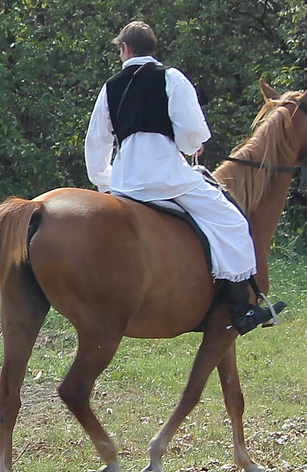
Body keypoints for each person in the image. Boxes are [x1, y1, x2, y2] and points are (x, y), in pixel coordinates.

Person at [84, 20, 284, 335]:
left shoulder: (110, 87)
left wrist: (105, 180)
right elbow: (191, 132)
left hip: (125, 182)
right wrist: (193, 145)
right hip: (169, 179)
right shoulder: (172, 78)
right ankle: (241, 307)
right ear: (151, 48)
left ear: (125, 48)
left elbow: (97, 142)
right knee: (232, 222)